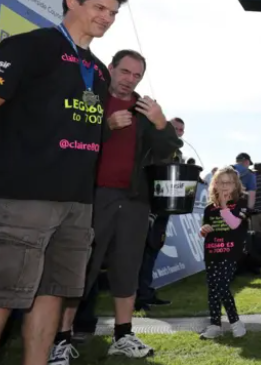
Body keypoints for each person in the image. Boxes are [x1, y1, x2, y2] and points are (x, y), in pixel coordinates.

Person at [0, 0, 127, 365]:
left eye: (113, 12)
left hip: (77, 201)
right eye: (99, 8)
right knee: (5, 292)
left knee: (52, 291)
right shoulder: (28, 47)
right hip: (24, 196)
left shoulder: (101, 71)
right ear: (72, 1)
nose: (107, 18)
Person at [53, 50, 182, 362]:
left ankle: (123, 335)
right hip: (93, 196)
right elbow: (66, 137)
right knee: (80, 269)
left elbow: (169, 151)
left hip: (135, 201)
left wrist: (161, 122)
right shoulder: (90, 98)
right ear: (110, 68)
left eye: (137, 75)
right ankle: (60, 339)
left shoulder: (144, 110)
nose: (130, 80)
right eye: (125, 72)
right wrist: (106, 126)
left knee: (127, 268)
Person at [135, 116, 186, 311]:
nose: (178, 132)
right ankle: (137, 295)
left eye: (181, 130)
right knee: (141, 252)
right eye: (175, 128)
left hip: (164, 208)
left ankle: (145, 292)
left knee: (153, 250)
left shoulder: (178, 152)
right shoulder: (154, 145)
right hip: (147, 206)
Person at [199, 167, 249, 339]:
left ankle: (235, 322)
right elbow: (207, 228)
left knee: (221, 285)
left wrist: (223, 206)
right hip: (212, 252)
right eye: (220, 182)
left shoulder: (242, 202)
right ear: (215, 185)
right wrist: (204, 229)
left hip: (231, 252)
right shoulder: (208, 209)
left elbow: (234, 224)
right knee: (213, 289)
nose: (224, 186)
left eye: (228, 182)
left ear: (235, 185)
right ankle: (215, 325)